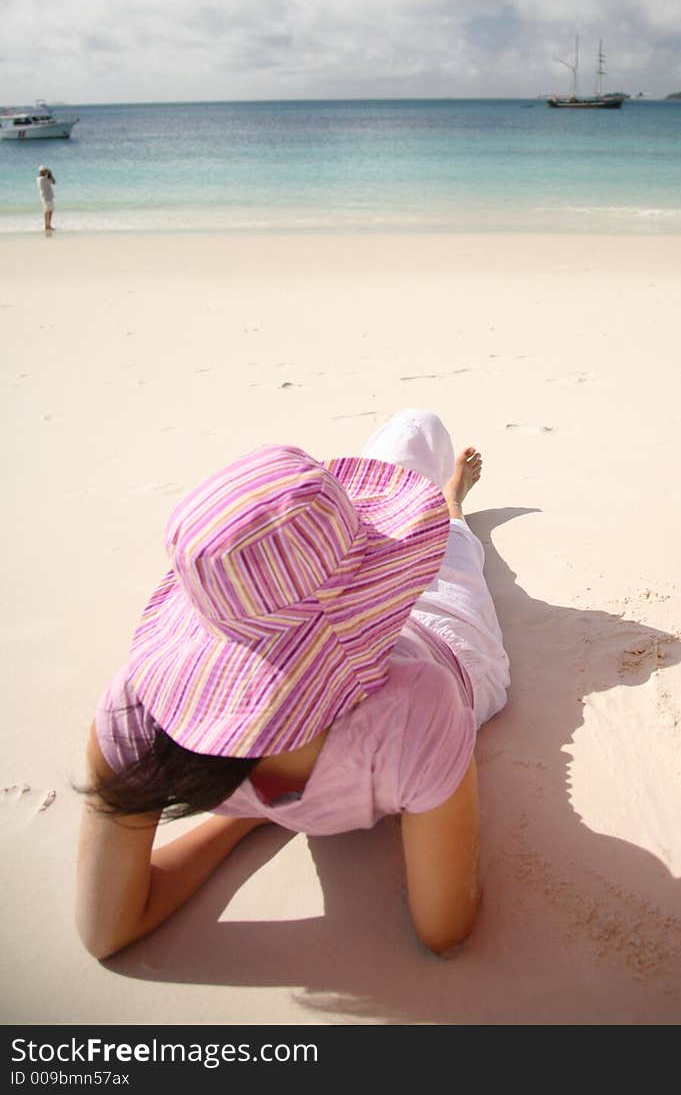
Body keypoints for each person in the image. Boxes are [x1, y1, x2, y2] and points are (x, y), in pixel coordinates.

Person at [76, 410, 510, 960]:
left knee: (413, 436)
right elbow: (445, 928)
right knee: (447, 528)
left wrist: (254, 814)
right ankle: (449, 506)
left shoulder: (133, 714)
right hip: (452, 646)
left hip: (381, 637)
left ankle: (370, 521)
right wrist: (272, 813)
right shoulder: (419, 708)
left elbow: (106, 931)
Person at [37, 166, 56, 232]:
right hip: (45, 197)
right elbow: (53, 181)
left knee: (50, 210)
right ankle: (46, 226)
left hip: (49, 196)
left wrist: (49, 175)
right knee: (47, 210)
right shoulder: (41, 179)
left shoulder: (45, 178)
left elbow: (53, 182)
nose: (46, 172)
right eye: (44, 171)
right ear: (41, 172)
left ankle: (49, 225)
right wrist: (50, 174)